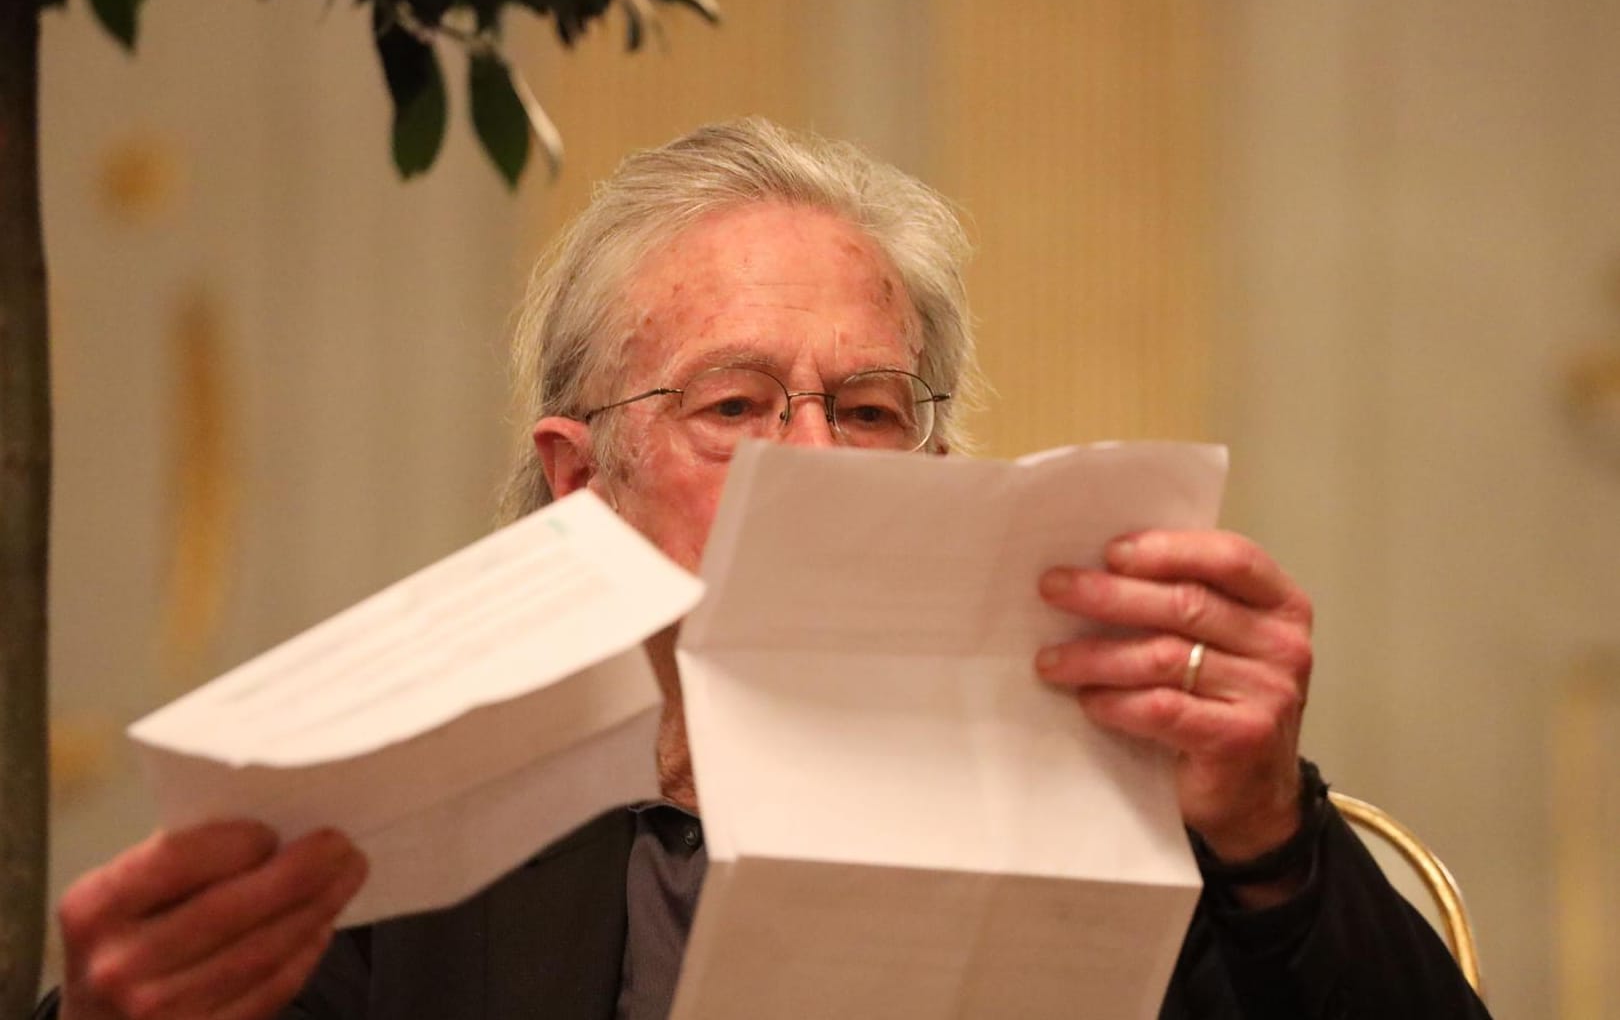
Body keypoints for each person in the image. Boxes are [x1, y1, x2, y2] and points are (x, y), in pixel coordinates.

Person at [43, 119, 1492, 1020]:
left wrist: (1267, 841)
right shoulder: (415, 828)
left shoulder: (1116, 796)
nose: (810, 459)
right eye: (734, 406)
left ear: (929, 467)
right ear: (579, 480)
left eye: (866, 410)